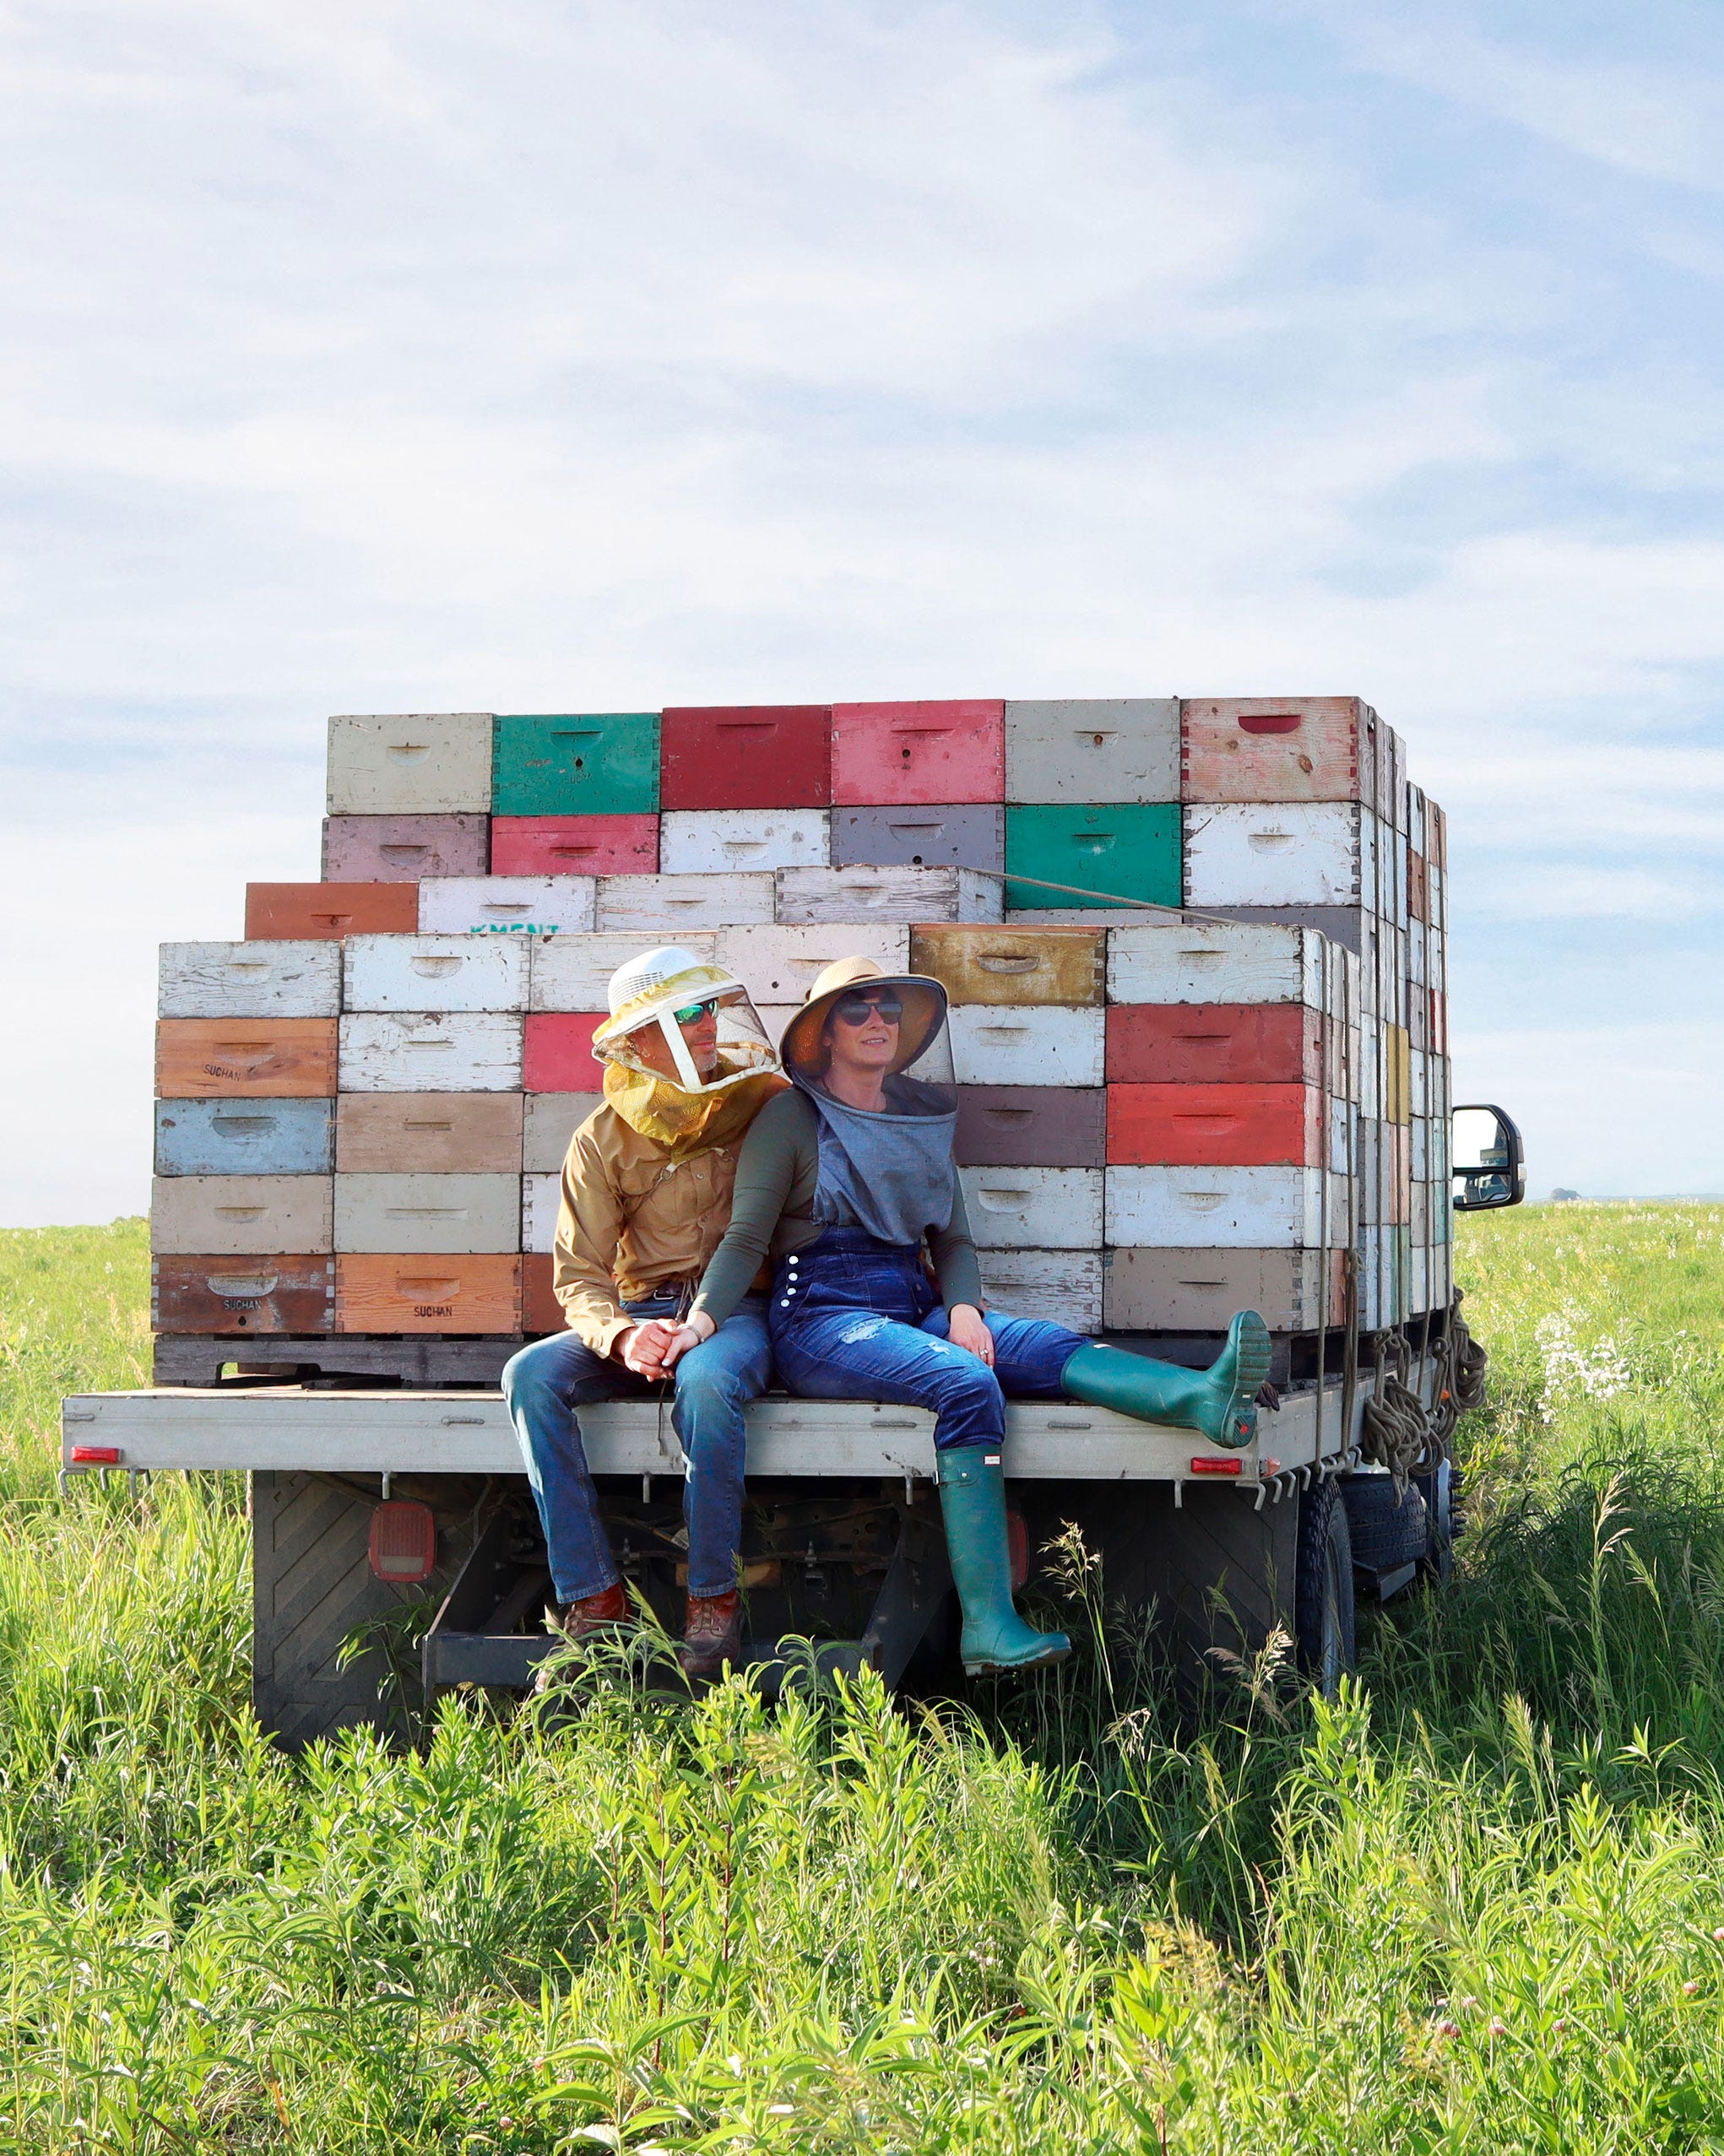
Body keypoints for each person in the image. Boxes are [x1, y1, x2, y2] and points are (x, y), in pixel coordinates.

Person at [658, 956, 1271, 1677]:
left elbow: (952, 1240)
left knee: (1036, 1345)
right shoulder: (791, 1116)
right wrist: (700, 1323)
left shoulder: (919, 1115)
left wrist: (965, 1310)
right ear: (824, 1034)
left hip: (912, 1301)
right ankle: (987, 1625)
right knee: (964, 1383)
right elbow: (746, 1238)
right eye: (857, 1011)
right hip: (821, 1315)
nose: (877, 1020)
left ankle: (1199, 1397)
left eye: (888, 1007)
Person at [501, 945, 787, 1679]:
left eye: (710, 1008)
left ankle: (713, 1599)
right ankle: (593, 1595)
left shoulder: (764, 1100)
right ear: (638, 1038)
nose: (707, 1026)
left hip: (736, 1313)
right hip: (641, 1315)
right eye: (685, 1014)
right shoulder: (599, 1138)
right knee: (530, 1375)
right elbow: (578, 1277)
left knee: (708, 1385)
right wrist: (624, 1335)